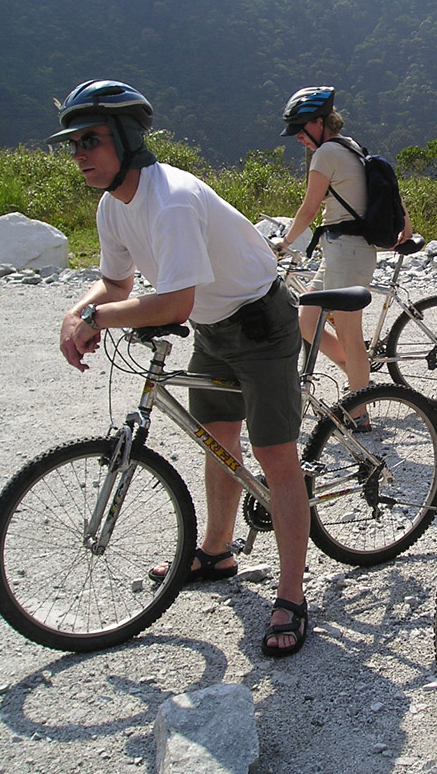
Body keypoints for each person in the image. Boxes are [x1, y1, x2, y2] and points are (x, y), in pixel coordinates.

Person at [50, 79, 310, 657]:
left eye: (89, 140)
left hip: (261, 323)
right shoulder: (113, 205)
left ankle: (291, 594)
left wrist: (98, 317)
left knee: (276, 456)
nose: (79, 155)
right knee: (219, 438)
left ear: (123, 139)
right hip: (216, 328)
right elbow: (116, 283)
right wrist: (81, 308)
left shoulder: (168, 199)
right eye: (72, 144)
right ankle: (218, 550)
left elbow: (173, 305)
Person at [269, 86, 412, 423]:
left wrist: (284, 243)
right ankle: (357, 377)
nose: (298, 139)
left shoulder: (327, 154)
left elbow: (309, 207)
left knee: (349, 333)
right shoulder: (352, 147)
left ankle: (358, 413)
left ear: (319, 123)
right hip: (338, 251)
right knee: (306, 320)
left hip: (347, 252)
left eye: (301, 131)